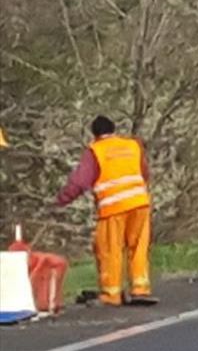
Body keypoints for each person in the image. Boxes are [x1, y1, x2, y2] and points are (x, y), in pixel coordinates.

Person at [57, 116, 156, 306]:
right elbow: (144, 173)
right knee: (138, 247)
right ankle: (140, 289)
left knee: (110, 250)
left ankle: (111, 294)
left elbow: (80, 182)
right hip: (140, 204)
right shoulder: (132, 145)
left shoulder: (95, 151)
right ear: (114, 129)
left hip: (113, 208)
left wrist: (62, 200)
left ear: (95, 134)